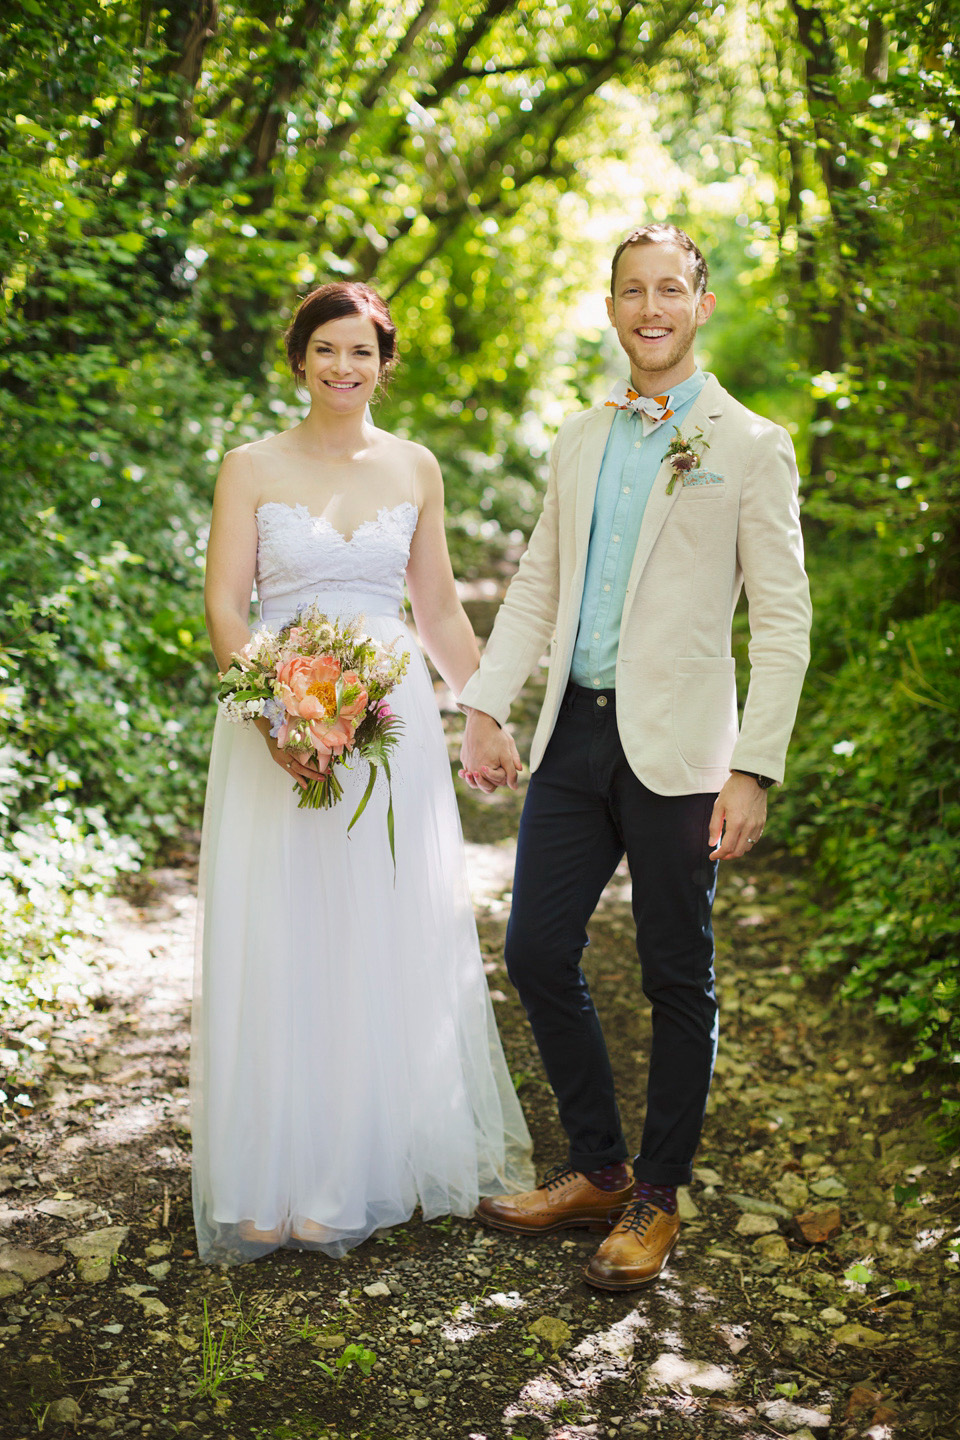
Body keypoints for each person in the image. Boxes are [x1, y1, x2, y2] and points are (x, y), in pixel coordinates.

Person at [458, 224, 812, 1291]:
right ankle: (601, 1168)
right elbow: (534, 585)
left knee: (675, 975)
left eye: (670, 289)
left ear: (699, 304)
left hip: (686, 749)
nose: (650, 307)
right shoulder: (578, 438)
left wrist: (754, 766)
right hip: (576, 735)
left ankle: (657, 1196)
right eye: (632, 291)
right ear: (611, 309)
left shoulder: (748, 443)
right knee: (533, 951)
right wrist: (485, 704)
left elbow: (784, 620)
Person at [191, 280, 533, 1264]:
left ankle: (359, 1166)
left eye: (363, 352)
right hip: (274, 721)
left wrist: (486, 709)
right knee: (282, 932)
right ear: (298, 359)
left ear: (386, 364)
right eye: (326, 350)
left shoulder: (415, 467)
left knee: (376, 933)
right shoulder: (249, 466)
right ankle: (270, 1173)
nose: (345, 368)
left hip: (391, 727)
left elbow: (438, 613)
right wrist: (268, 715)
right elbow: (223, 604)